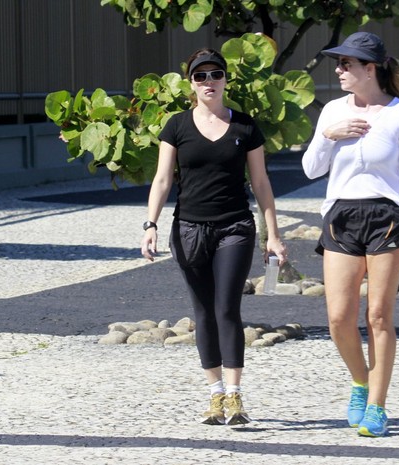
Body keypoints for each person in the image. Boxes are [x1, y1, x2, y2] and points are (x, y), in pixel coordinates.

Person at [302, 32, 399, 437]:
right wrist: (329, 136)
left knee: (378, 315)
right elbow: (311, 169)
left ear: (370, 68)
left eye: (348, 64)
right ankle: (361, 381)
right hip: (341, 215)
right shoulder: (331, 111)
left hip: (389, 216)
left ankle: (378, 406)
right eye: (339, 63)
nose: (340, 70)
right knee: (338, 318)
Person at [140, 48, 286, 426]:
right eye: (200, 76)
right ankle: (215, 394)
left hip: (234, 227)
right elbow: (162, 179)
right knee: (203, 311)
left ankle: (236, 395)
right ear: (190, 83)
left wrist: (273, 233)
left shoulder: (245, 126)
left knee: (227, 308)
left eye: (215, 75)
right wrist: (150, 224)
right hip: (188, 229)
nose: (209, 82)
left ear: (225, 80)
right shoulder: (176, 125)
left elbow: (260, 182)